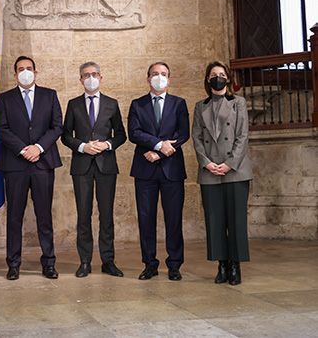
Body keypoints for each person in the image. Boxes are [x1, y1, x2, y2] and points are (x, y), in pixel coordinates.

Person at [0, 55, 63, 280]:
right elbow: (2, 129)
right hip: (16, 164)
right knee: (15, 216)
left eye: (29, 68)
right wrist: (24, 149)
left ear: (36, 72)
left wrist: (39, 148)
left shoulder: (49, 95)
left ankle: (49, 263)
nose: (25, 72)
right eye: (21, 69)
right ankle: (13, 264)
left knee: (44, 215)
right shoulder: (4, 99)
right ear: (15, 74)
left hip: (43, 163)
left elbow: (57, 126)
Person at [61, 61, 127, 278]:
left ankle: (108, 261)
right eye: (86, 75)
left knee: (106, 215)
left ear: (101, 77)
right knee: (83, 214)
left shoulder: (111, 104)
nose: (91, 78)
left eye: (95, 74)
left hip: (106, 166)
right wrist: (82, 146)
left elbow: (120, 135)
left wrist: (107, 144)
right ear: (80, 79)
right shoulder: (73, 104)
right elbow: (65, 135)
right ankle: (85, 261)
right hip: (81, 166)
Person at [192, 61, 253, 285]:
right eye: (213, 75)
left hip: (235, 170)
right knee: (215, 220)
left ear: (227, 78)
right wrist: (207, 163)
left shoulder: (239, 103)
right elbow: (196, 137)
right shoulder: (200, 106)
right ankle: (222, 264)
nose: (217, 77)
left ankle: (235, 265)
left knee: (236, 220)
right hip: (209, 171)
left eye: (221, 74)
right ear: (208, 80)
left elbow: (242, 136)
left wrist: (229, 163)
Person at [128, 62, 189, 281]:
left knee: (173, 218)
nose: (159, 77)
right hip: (144, 171)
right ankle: (149, 264)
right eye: (155, 74)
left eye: (163, 74)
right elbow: (133, 133)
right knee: (146, 219)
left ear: (169, 79)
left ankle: (174, 265)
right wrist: (157, 144)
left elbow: (183, 134)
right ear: (148, 79)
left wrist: (161, 153)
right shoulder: (137, 104)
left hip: (171, 170)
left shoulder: (179, 104)